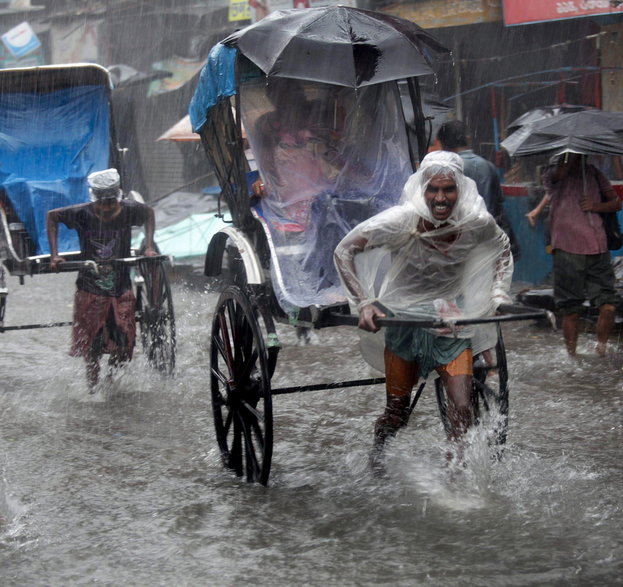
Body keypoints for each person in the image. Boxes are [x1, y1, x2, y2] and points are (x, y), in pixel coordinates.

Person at [334, 151, 513, 457]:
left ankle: (456, 485)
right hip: (404, 321)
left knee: (461, 407)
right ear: (422, 189)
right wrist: (364, 303)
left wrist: (497, 293)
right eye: (433, 189)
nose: (440, 198)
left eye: (448, 189)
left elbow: (502, 248)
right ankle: (378, 457)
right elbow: (344, 250)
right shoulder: (402, 220)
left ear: (461, 189)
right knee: (397, 414)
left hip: (449, 321)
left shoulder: (476, 222)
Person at [46, 168, 157, 390]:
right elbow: (52, 217)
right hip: (90, 286)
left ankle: (112, 383)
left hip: (121, 284)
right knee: (93, 344)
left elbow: (149, 214)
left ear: (118, 199)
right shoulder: (81, 213)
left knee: (124, 340)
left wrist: (149, 245)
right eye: (101, 204)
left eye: (110, 204)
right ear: (94, 199)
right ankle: (93, 386)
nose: (106, 208)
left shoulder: (130, 210)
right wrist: (55, 254)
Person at [526, 152, 621, 357]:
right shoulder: (553, 174)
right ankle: (572, 355)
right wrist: (569, 159)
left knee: (609, 305)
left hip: (598, 248)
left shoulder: (594, 174)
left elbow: (615, 202)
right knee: (571, 309)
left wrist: (595, 206)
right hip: (567, 250)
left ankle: (601, 350)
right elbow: (556, 177)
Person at [437, 119, 520, 260]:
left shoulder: (445, 170)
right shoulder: (488, 166)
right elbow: (498, 206)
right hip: (490, 243)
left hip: (460, 246)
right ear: (467, 139)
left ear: (443, 144)